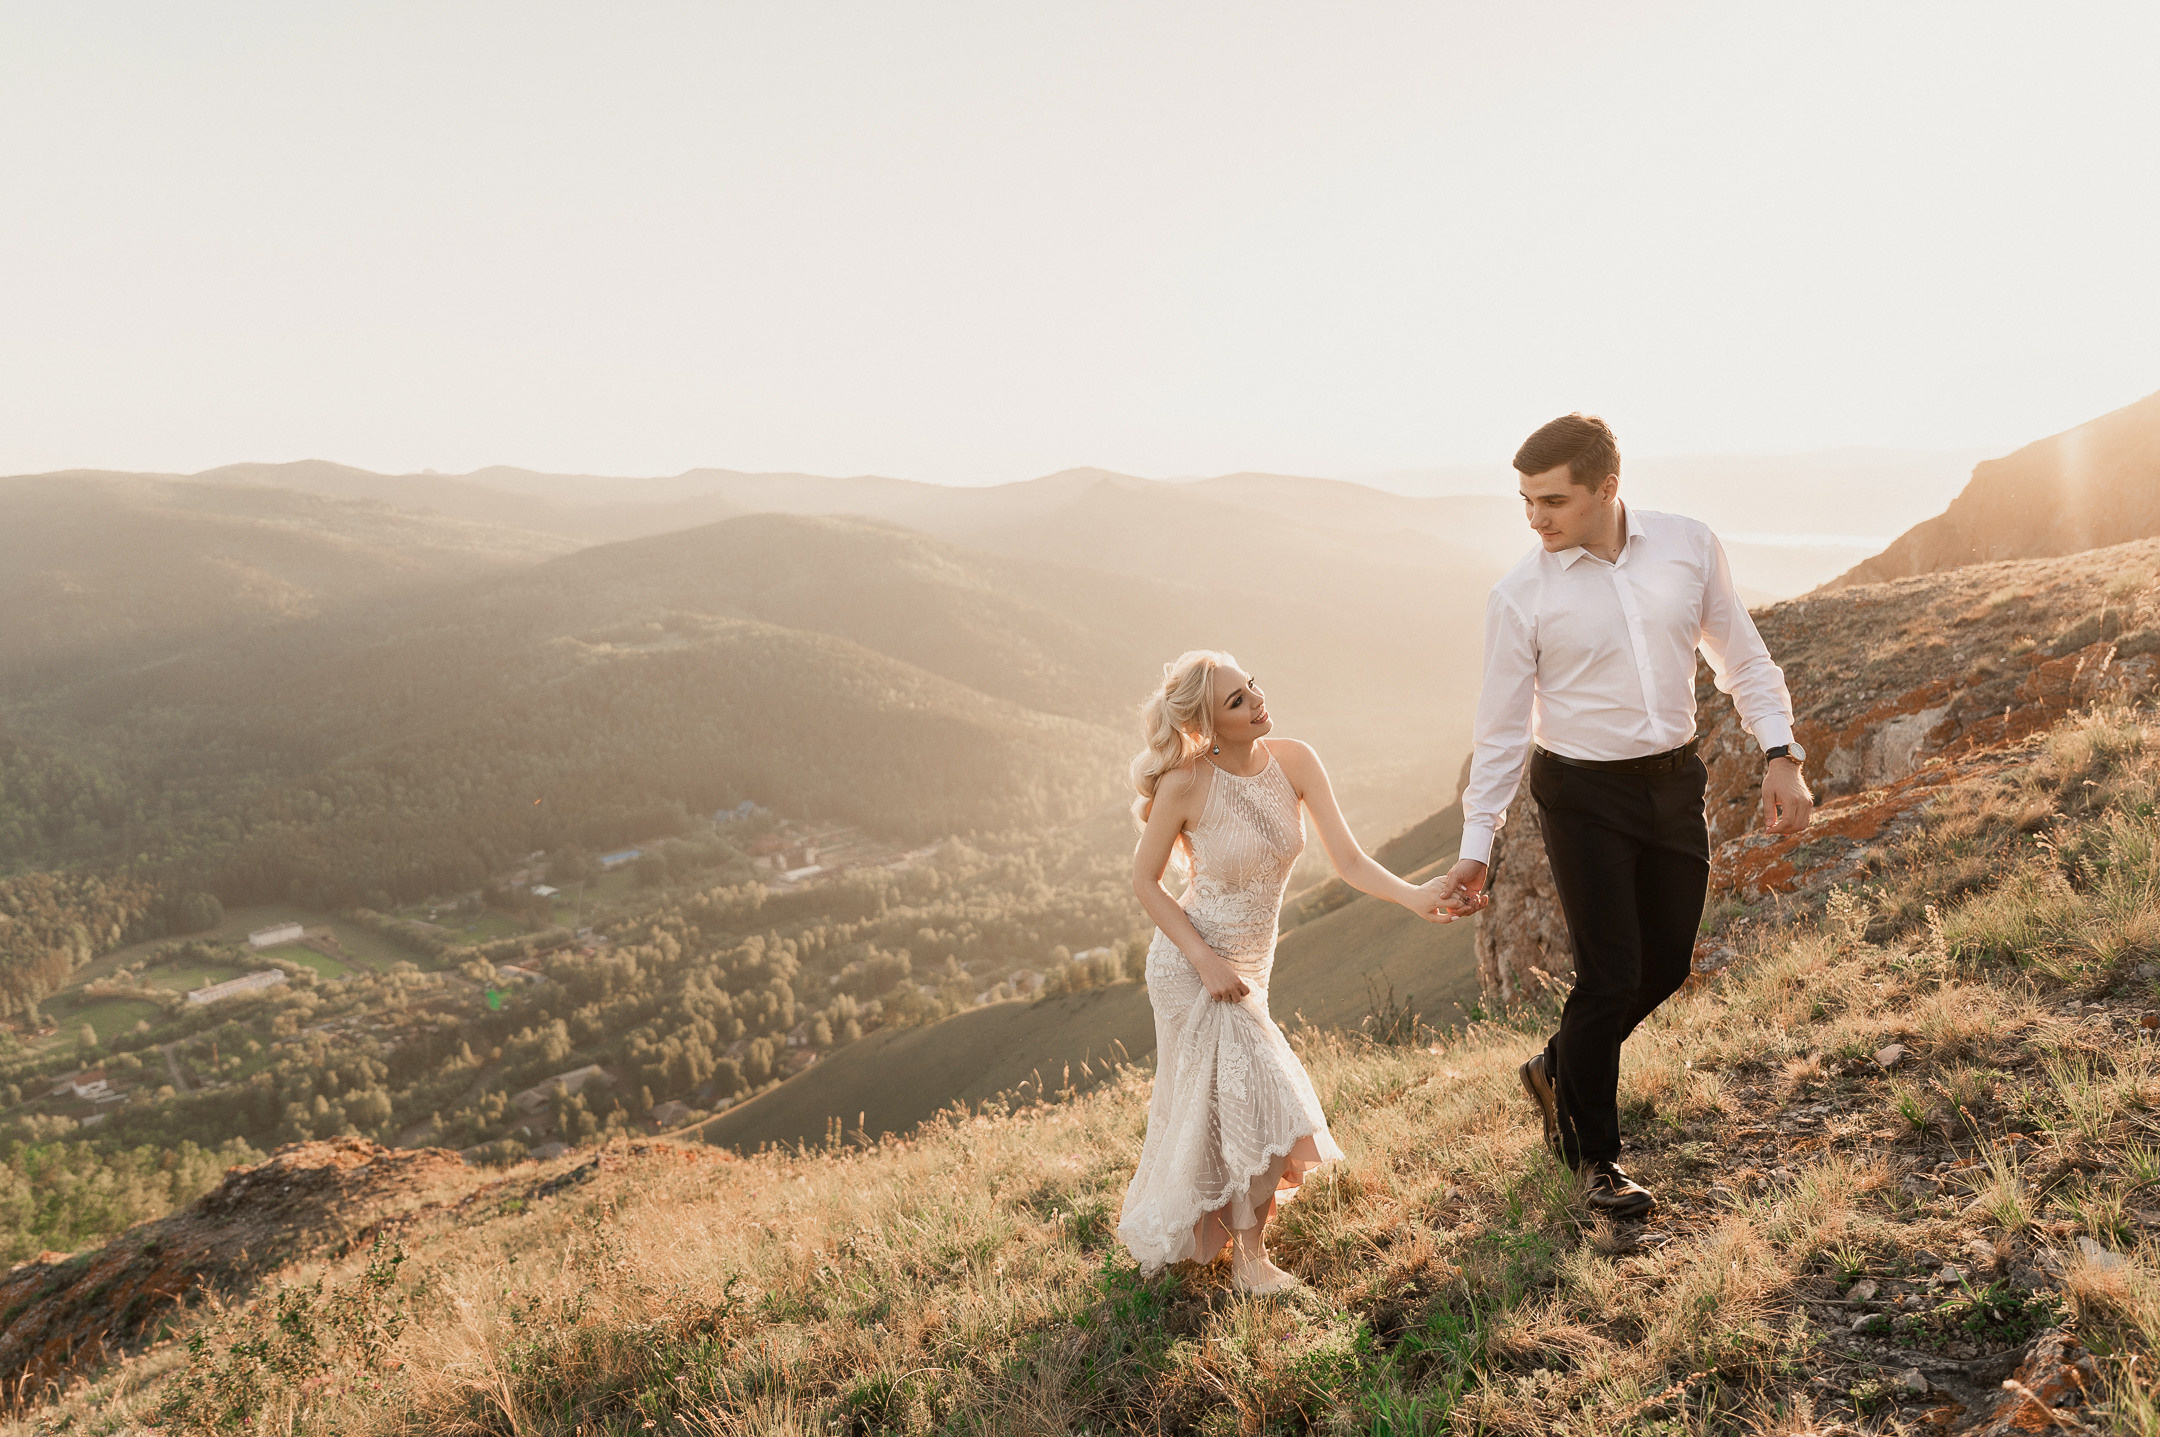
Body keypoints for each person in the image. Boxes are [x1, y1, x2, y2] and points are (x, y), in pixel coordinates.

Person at [1435, 414, 1814, 1219]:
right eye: (1527, 502)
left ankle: (1556, 1068)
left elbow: (1740, 655)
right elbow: (1500, 732)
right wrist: (1479, 846)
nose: (1537, 519)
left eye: (1554, 500)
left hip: (1674, 780)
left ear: (1608, 487)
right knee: (1608, 972)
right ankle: (1592, 1164)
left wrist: (1782, 753)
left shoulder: (1688, 546)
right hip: (1579, 792)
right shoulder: (1520, 595)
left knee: (1666, 961)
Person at [1116, 650, 1466, 1291]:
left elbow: (1351, 861)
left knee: (1227, 1105)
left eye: (1251, 688)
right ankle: (1249, 1264)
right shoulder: (1185, 783)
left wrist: (1419, 897)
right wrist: (1205, 960)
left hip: (1252, 962)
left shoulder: (1297, 760)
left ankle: (1220, 1240)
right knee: (1263, 1095)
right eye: (1236, 702)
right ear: (1207, 723)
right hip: (1192, 963)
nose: (1257, 703)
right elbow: (1144, 882)